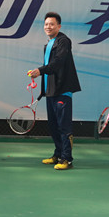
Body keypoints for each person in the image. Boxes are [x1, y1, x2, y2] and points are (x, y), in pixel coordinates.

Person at [28, 12, 81, 170]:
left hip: (62, 89)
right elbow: (49, 68)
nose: (48, 27)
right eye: (46, 24)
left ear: (59, 26)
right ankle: (58, 154)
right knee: (53, 126)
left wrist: (40, 70)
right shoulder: (49, 44)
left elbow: (58, 62)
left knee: (64, 126)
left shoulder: (63, 41)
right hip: (50, 91)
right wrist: (43, 90)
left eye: (52, 24)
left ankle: (67, 158)